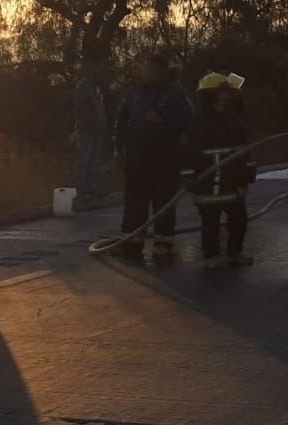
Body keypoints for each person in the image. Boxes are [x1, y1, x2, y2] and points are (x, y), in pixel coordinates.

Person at [114, 54, 194, 263]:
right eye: (144, 70)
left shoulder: (176, 94)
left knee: (163, 202)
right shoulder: (135, 93)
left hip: (164, 160)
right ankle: (132, 241)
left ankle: (163, 245)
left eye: (150, 71)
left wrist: (163, 122)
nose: (146, 74)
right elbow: (122, 119)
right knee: (134, 202)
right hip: (136, 159)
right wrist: (118, 146)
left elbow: (189, 123)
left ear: (161, 72)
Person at [187, 72, 256, 270]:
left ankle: (235, 253)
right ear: (213, 95)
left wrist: (248, 173)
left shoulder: (232, 119)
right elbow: (187, 153)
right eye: (224, 92)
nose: (228, 96)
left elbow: (243, 149)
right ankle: (212, 256)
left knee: (239, 219)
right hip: (208, 185)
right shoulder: (198, 123)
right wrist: (190, 178)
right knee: (210, 222)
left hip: (231, 182)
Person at [73, 60, 109, 205]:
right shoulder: (82, 88)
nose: (98, 72)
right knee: (85, 160)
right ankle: (82, 191)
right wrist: (92, 123)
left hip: (97, 130)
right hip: (87, 130)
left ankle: (92, 189)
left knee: (94, 161)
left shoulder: (96, 88)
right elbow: (82, 110)